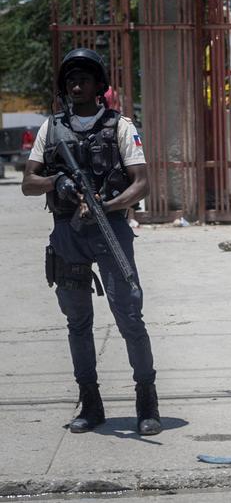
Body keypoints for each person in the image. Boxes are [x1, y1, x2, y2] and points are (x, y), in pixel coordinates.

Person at [21, 48, 161, 435]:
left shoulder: (120, 126)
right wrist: (58, 182)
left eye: (84, 78)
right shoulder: (52, 129)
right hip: (68, 234)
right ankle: (90, 401)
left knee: (129, 316)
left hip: (110, 229)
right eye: (70, 79)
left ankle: (146, 399)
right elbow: (28, 183)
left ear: (100, 86)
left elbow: (142, 182)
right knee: (77, 321)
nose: (76, 84)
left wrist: (108, 204)